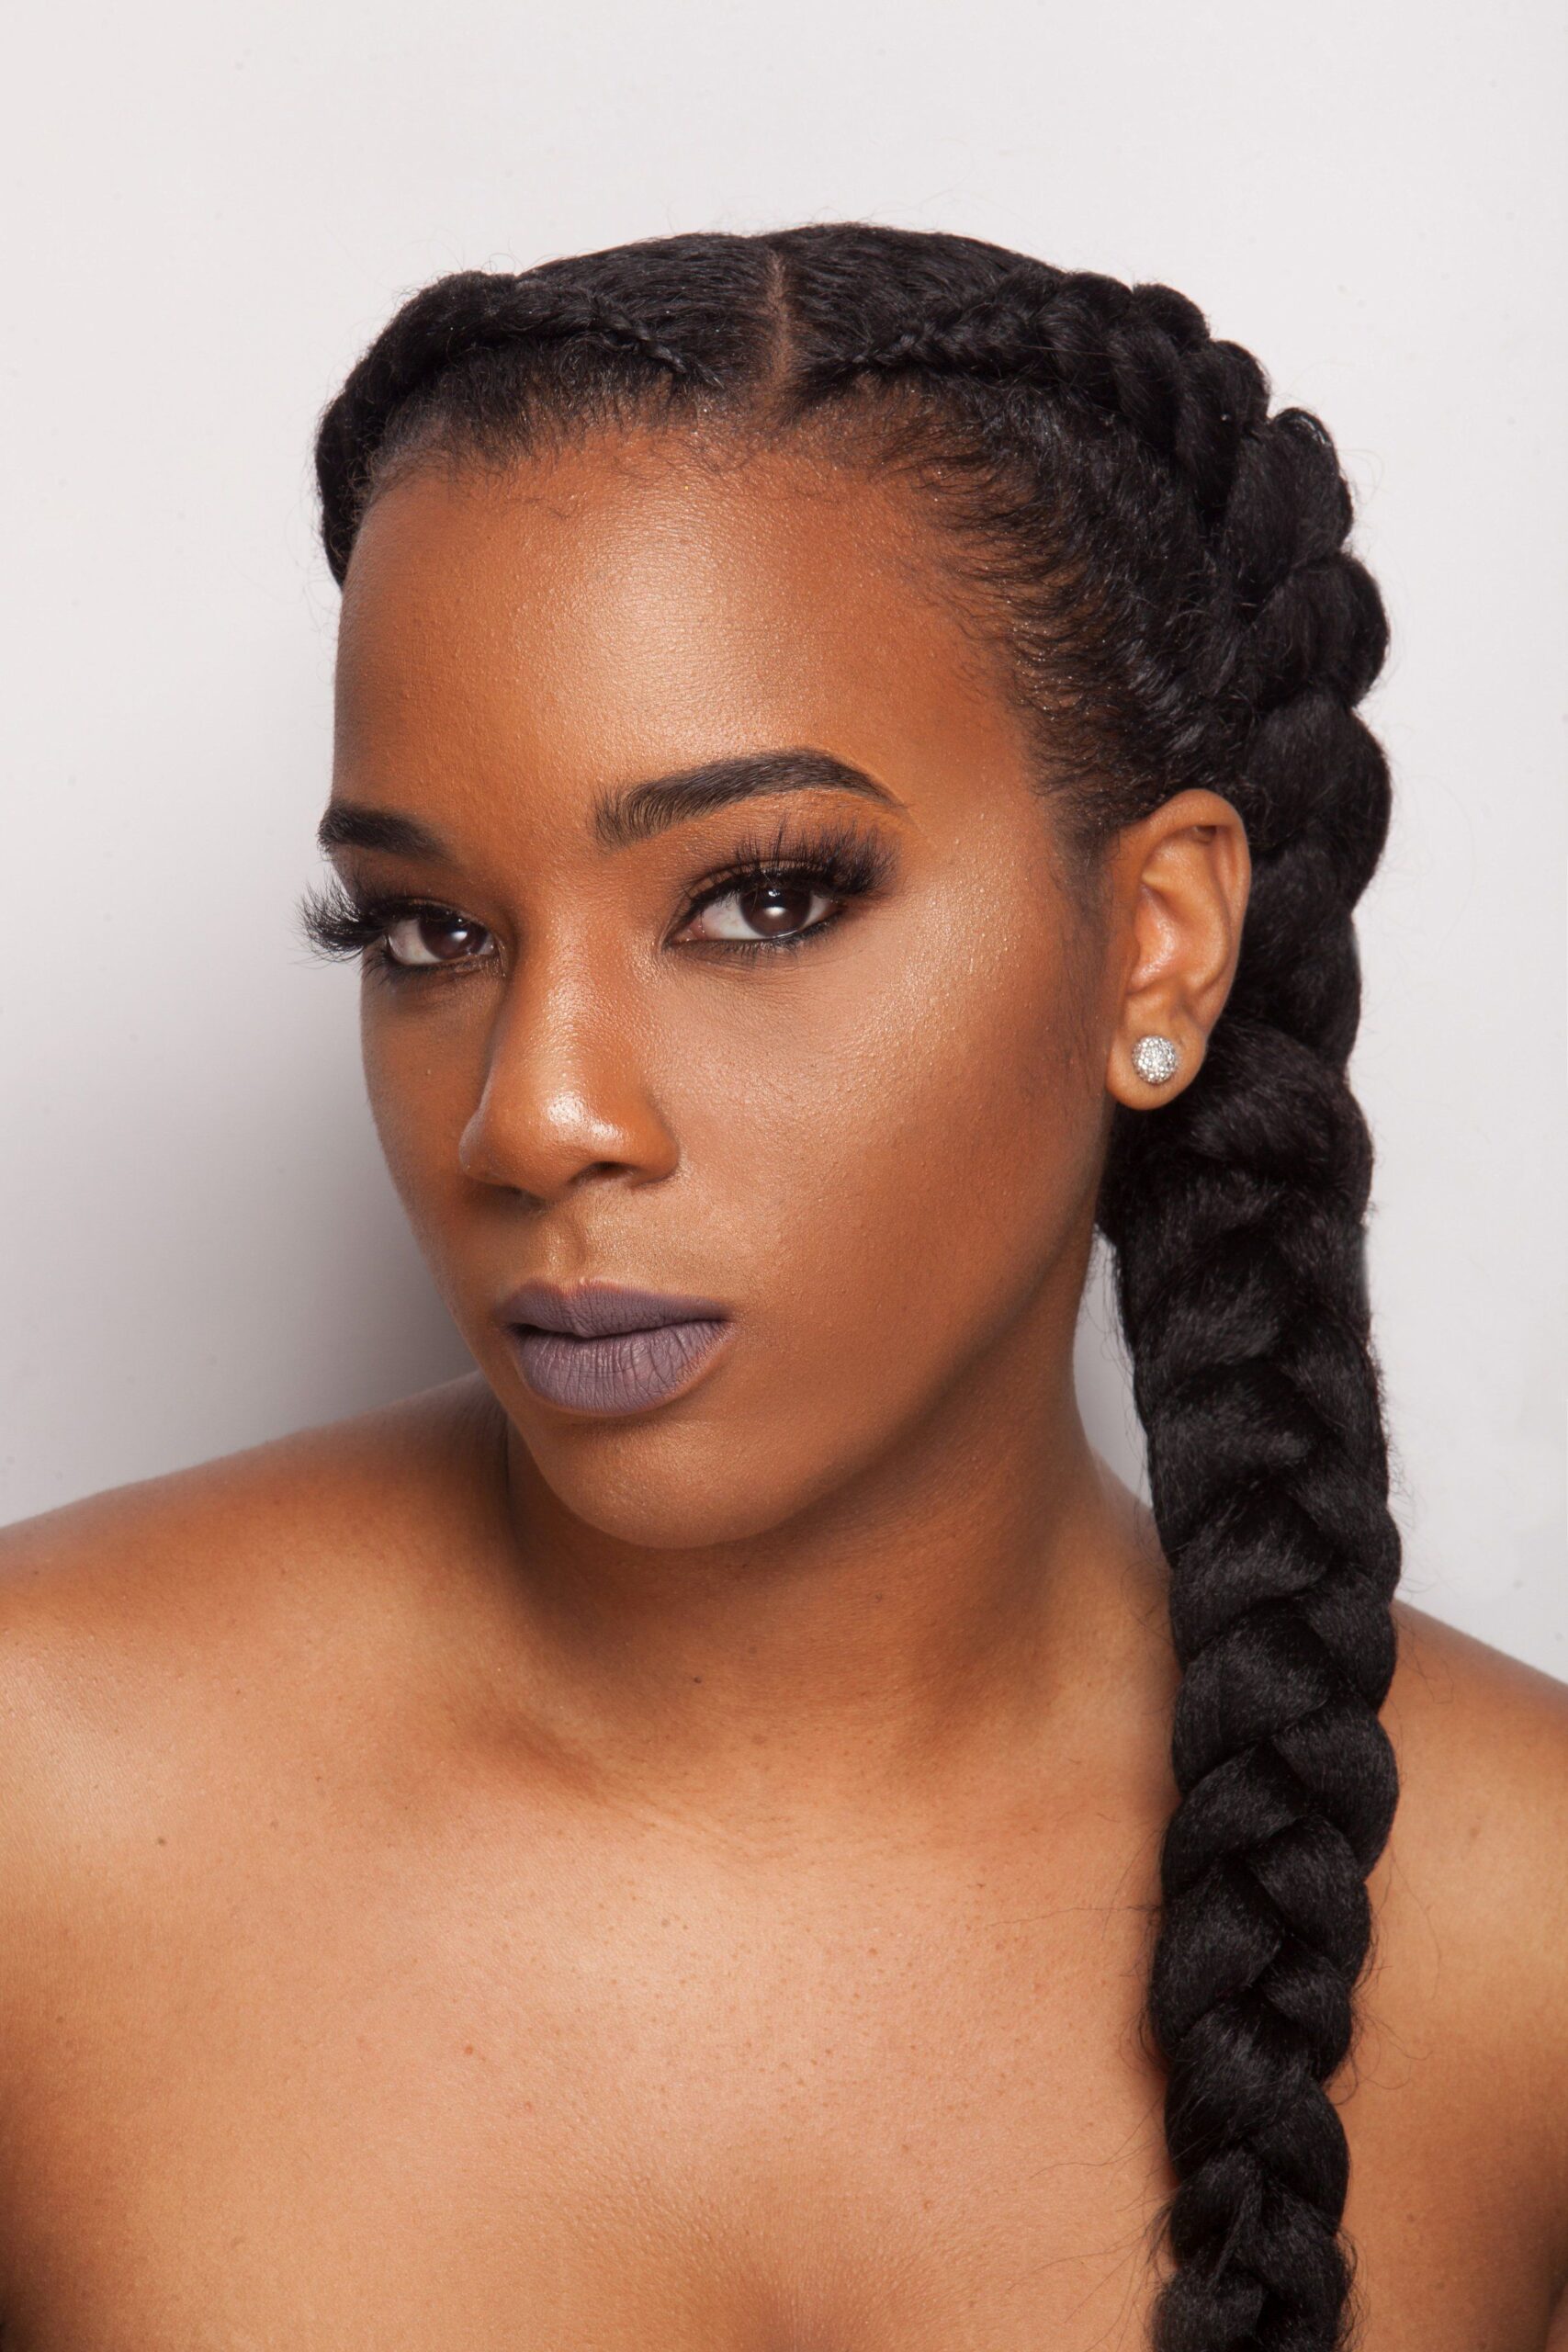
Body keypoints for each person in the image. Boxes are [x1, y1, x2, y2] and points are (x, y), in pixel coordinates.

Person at [1, 222, 1564, 2352]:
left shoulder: (1527, 1930)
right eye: (428, 931)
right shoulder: (46, 1807)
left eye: (759, 900)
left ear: (1157, 943)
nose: (535, 1116)